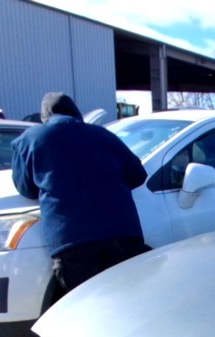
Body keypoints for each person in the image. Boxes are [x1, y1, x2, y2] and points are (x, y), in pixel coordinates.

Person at [11, 92, 148, 295]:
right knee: (126, 299)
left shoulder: (30, 139)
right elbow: (138, 175)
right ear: (75, 112)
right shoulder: (103, 135)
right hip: (122, 234)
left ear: (44, 116)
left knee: (86, 303)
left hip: (72, 240)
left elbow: (25, 188)